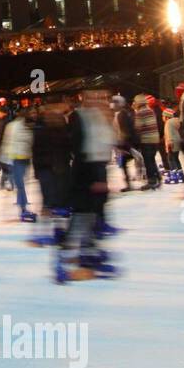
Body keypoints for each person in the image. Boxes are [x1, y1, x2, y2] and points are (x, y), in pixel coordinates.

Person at [54, 90, 117, 283]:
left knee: (89, 216)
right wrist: (94, 177)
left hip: (93, 171)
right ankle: (63, 260)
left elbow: (102, 145)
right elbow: (81, 148)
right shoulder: (81, 118)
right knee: (81, 217)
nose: (102, 103)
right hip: (84, 174)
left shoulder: (96, 117)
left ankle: (89, 253)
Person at [0, 107, 36, 220]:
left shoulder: (29, 126)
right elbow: (8, 142)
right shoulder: (14, 126)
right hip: (16, 158)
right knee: (20, 184)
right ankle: (23, 208)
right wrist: (5, 158)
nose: (34, 114)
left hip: (25, 157)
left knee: (22, 183)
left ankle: (22, 203)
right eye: (32, 112)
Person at [132, 95, 162, 190]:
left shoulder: (140, 113)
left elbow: (138, 128)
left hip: (146, 139)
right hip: (155, 139)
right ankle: (157, 177)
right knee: (152, 160)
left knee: (148, 161)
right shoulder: (150, 110)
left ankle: (152, 181)